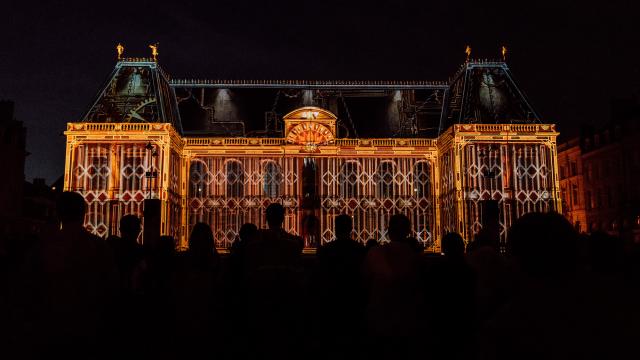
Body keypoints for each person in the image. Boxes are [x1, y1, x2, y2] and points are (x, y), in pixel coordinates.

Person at [13, 192, 116, 358]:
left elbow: (27, 288)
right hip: (87, 329)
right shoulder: (99, 248)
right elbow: (110, 288)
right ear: (84, 214)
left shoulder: (41, 248)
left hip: (49, 329)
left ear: (58, 213)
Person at [244, 203, 304, 359]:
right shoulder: (294, 244)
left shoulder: (254, 246)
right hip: (286, 302)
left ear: (266, 218)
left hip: (261, 303)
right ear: (283, 218)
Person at [362, 214, 424, 359]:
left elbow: (364, 283)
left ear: (388, 230)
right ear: (409, 230)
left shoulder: (375, 253)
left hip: (380, 320)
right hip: (408, 322)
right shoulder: (418, 259)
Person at [315, 214, 366, 357]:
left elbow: (319, 275)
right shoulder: (360, 249)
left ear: (335, 229)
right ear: (351, 228)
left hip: (331, 300)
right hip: (353, 300)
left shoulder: (325, 250)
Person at [430, 232, 476, 359]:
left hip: (442, 327)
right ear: (462, 247)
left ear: (444, 248)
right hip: (465, 326)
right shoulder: (470, 271)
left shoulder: (436, 272)